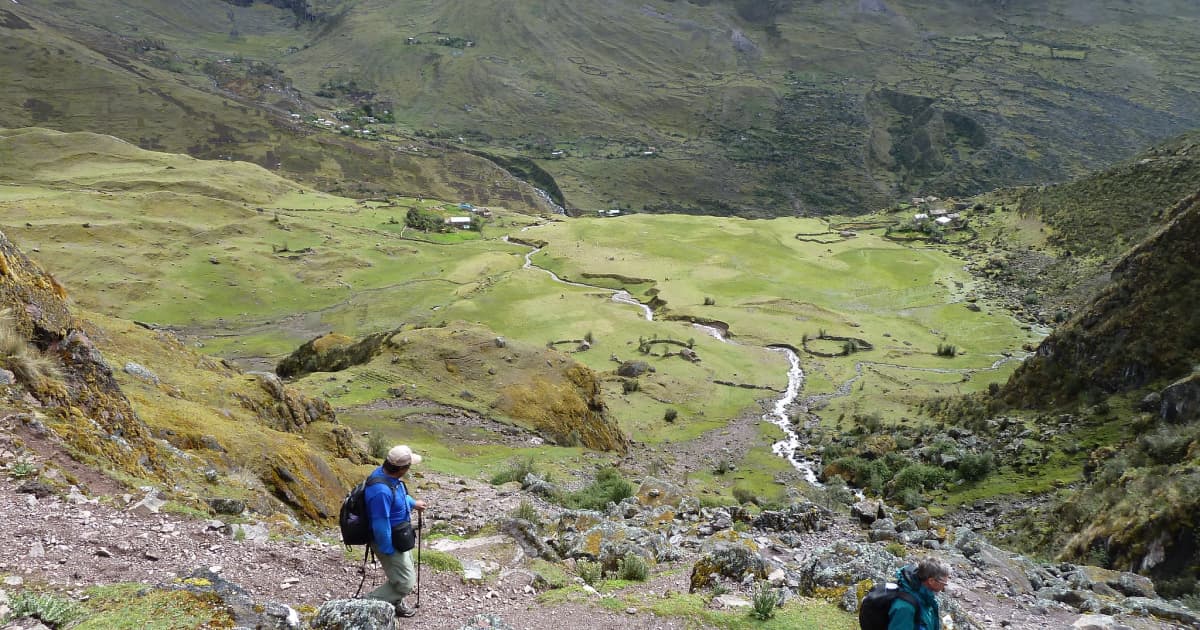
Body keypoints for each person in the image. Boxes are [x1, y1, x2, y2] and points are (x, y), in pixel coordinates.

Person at [365, 445, 428, 618]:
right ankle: (365, 604)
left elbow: (398, 495)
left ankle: (394, 602)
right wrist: (389, 550)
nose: (409, 469)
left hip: (399, 536)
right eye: (408, 466)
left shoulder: (388, 477)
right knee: (405, 583)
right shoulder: (380, 492)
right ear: (401, 469)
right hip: (388, 541)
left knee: (402, 574)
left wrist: (413, 503)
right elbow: (380, 524)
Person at [888, 556, 951, 630]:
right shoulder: (906, 608)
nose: (944, 588)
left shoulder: (926, 599)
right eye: (944, 583)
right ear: (931, 581)